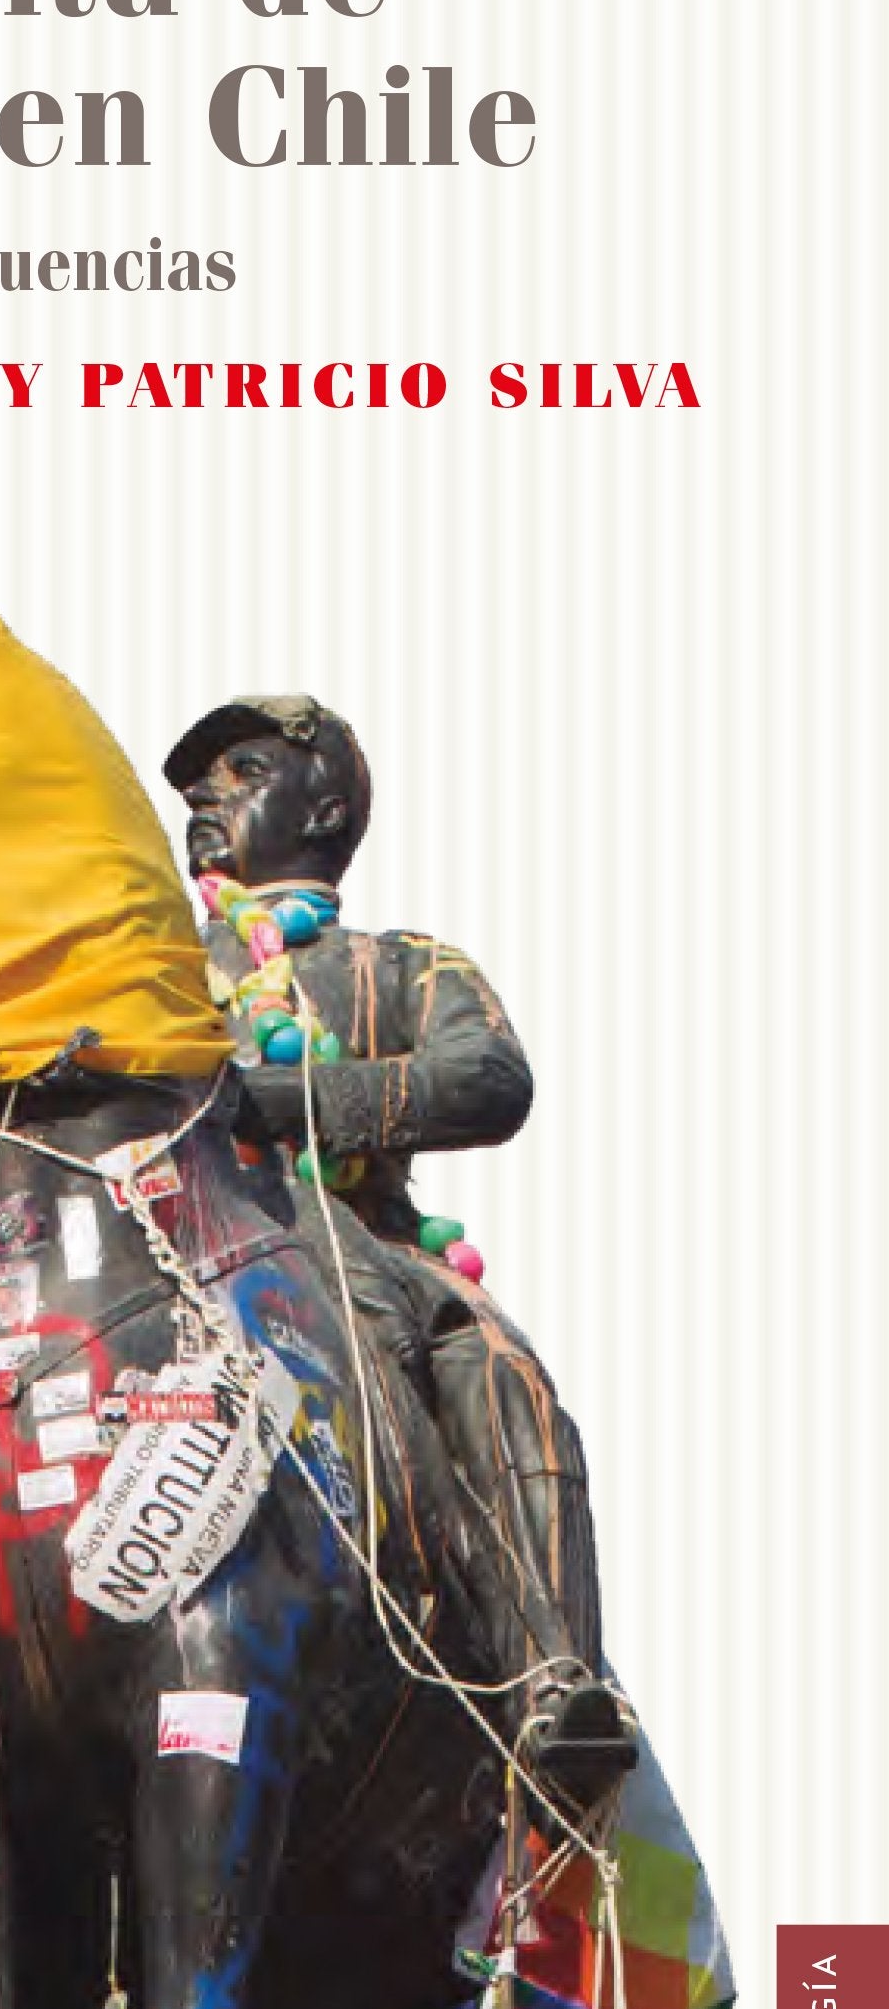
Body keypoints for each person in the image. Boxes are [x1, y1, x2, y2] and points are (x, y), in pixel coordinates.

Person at [164, 695, 635, 1803]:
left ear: (324, 807)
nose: (205, 798)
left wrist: (287, 1102)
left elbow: (488, 1078)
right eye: (195, 784)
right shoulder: (148, 962)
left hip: (365, 1247)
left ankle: (550, 1679)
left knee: (494, 1364)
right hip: (171, 1242)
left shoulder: (403, 962)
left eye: (241, 771)